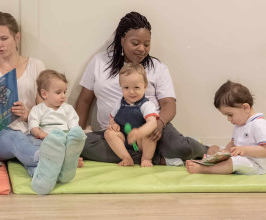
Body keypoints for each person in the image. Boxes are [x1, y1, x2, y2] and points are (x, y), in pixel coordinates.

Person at [76, 11, 210, 165]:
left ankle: (204, 149)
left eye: (146, 44)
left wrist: (158, 125)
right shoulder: (99, 61)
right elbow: (84, 100)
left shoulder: (158, 68)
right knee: (82, 145)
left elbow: (169, 104)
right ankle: (159, 159)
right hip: (115, 134)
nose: (142, 49)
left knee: (180, 147)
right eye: (135, 43)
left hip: (151, 129)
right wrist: (76, 133)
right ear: (122, 40)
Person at [0, 11, 70, 194]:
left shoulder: (36, 66)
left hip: (29, 131)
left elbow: (45, 109)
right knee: (17, 139)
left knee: (32, 143)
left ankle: (43, 178)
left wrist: (27, 113)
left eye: (4, 38)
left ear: (17, 37)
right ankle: (52, 159)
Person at [186, 81, 266, 175]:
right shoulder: (239, 125)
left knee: (235, 162)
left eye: (230, 115)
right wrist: (224, 152)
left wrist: (245, 150)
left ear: (245, 108)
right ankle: (208, 162)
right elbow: (232, 143)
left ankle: (204, 169)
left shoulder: (259, 124)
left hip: (256, 165)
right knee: (213, 148)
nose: (228, 119)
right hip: (241, 157)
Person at [28, 69, 86, 183]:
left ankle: (70, 160)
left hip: (65, 138)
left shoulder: (68, 109)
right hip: (47, 139)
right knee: (38, 147)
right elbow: (33, 125)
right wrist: (39, 133)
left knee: (72, 142)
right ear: (44, 94)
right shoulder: (38, 109)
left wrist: (74, 133)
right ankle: (64, 163)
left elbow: (74, 125)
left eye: (65, 92)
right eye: (58, 92)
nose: (63, 96)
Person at [105, 63, 158, 167]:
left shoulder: (146, 105)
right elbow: (112, 119)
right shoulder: (119, 103)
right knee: (108, 133)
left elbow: (152, 123)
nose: (131, 92)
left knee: (150, 134)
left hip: (141, 141)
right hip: (124, 139)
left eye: (137, 87)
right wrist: (113, 125)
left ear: (145, 86)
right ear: (121, 87)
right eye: (126, 88)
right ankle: (126, 157)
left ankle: (146, 158)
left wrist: (139, 132)